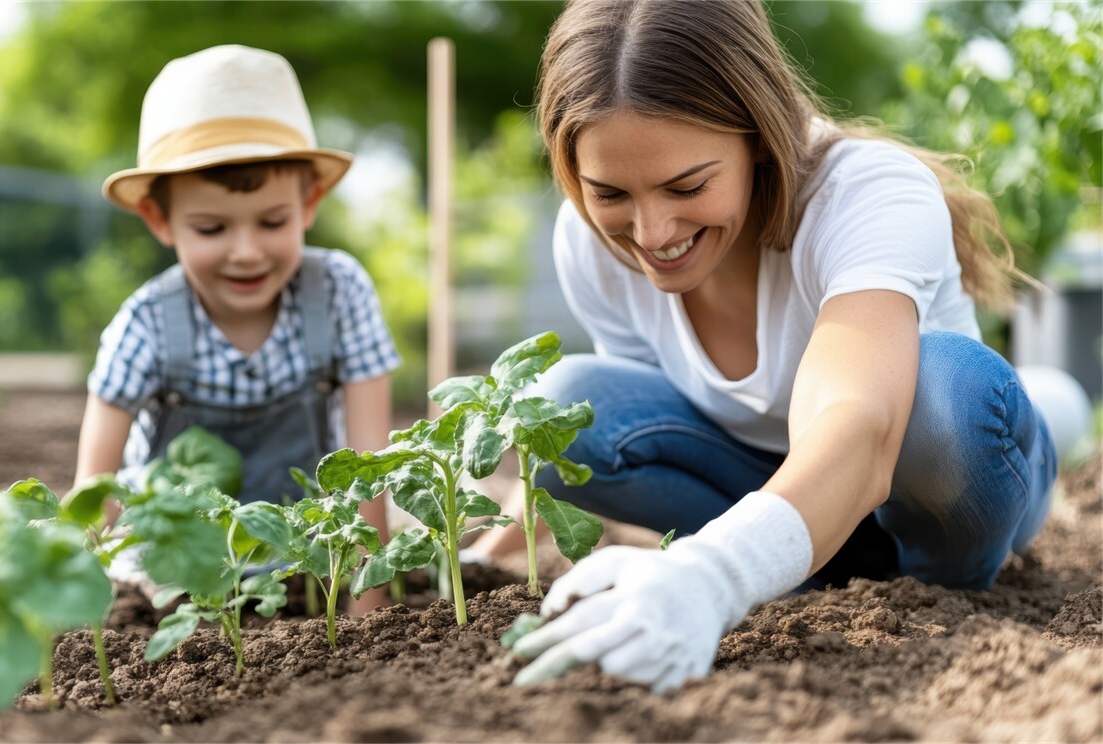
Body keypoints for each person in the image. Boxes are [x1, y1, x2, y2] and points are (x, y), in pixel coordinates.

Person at [504, 0, 1062, 692]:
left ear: (759, 138)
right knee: (560, 409)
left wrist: (711, 576)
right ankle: (802, 574)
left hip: (941, 497)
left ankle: (929, 591)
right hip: (776, 500)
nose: (650, 233)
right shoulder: (588, 244)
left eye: (687, 185)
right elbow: (648, 416)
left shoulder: (865, 194)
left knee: (948, 401)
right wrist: (522, 512)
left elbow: (860, 426)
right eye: (610, 193)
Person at [75, 44, 401, 610]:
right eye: (210, 228)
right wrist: (83, 610)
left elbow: (366, 463)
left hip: (306, 564)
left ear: (309, 203)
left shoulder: (340, 292)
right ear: (159, 218)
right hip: (174, 581)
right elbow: (95, 490)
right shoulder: (147, 322)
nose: (246, 252)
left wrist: (364, 610)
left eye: (272, 221)